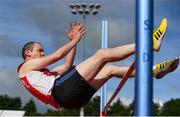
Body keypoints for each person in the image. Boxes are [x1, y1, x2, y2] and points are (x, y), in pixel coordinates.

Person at [17, 19, 179, 109]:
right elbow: (58, 55)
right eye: (40, 50)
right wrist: (74, 40)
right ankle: (149, 43)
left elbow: (66, 66)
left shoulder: (41, 75)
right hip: (60, 92)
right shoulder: (25, 67)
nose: (43, 53)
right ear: (28, 53)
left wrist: (73, 43)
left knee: (109, 70)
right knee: (102, 54)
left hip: (70, 100)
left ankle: (153, 71)